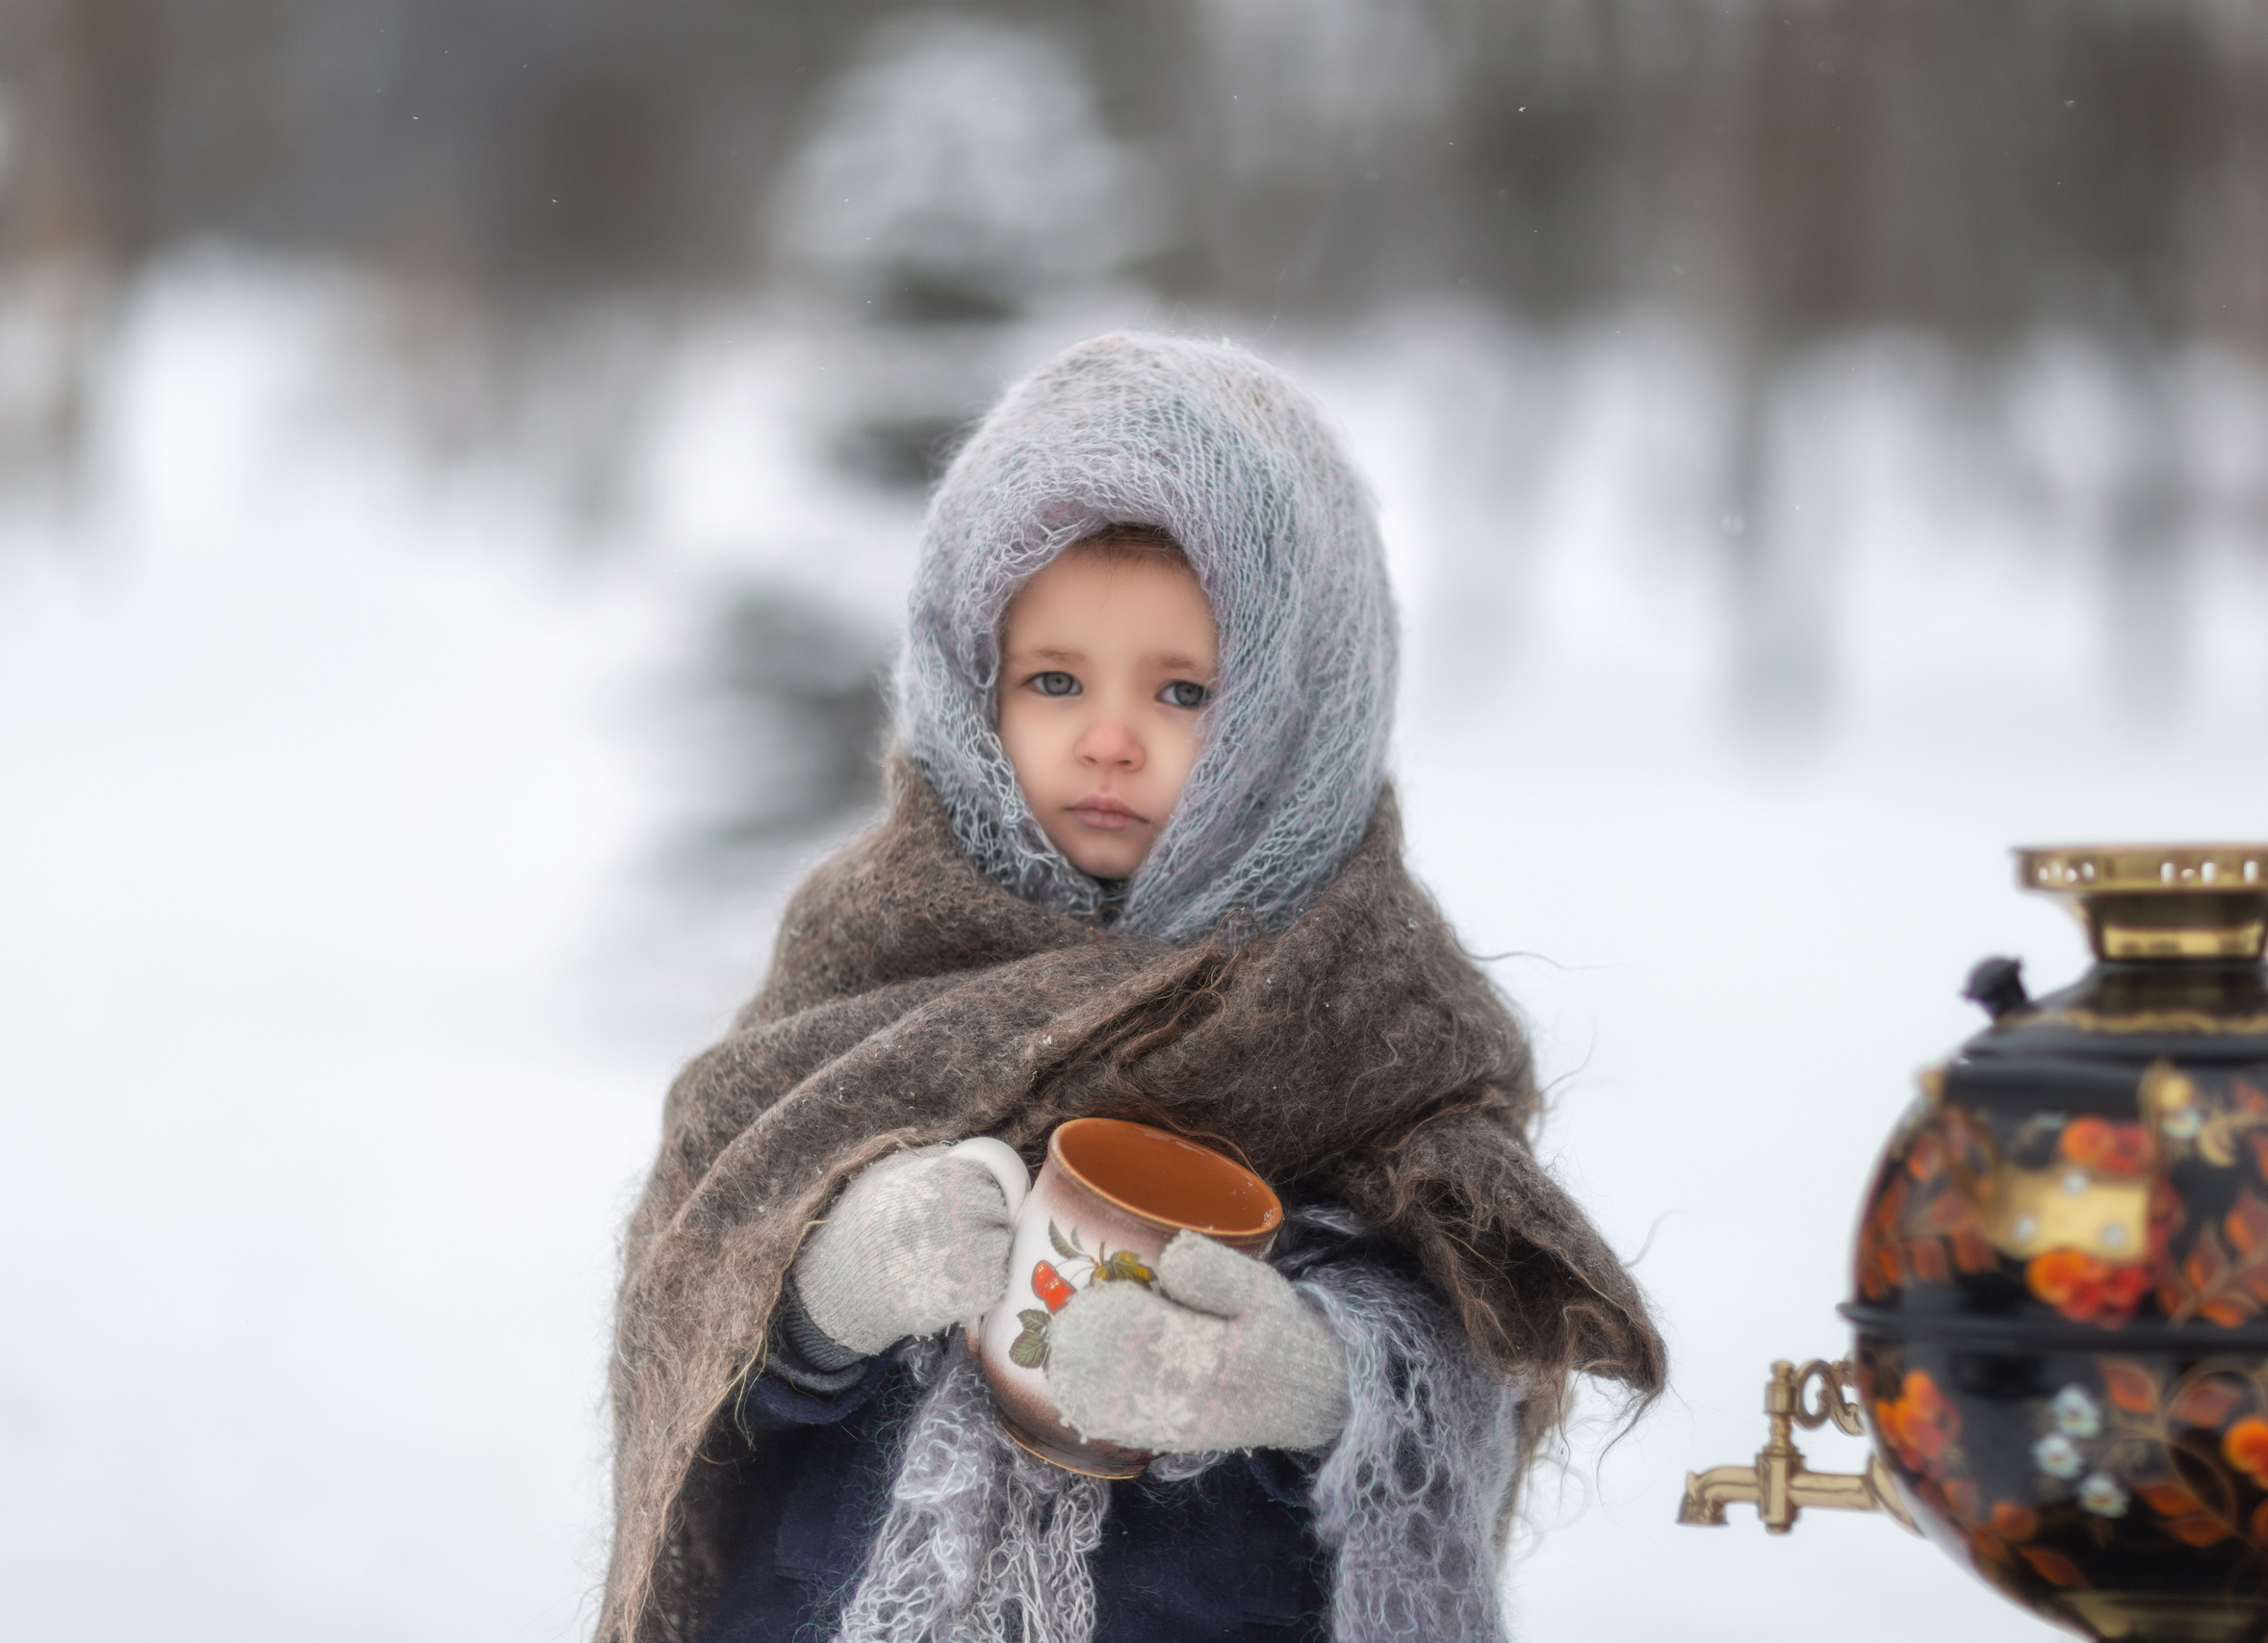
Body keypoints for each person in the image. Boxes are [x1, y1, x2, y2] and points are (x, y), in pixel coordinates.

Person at [596, 332, 1664, 1643]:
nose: (1109, 739)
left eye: (1183, 691)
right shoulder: (874, 941)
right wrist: (835, 1285)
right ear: (969, 680)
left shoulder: (1381, 1007)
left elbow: (1484, 1350)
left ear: (1293, 716)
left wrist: (1299, 1380)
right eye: (1054, 681)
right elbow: (703, 1287)